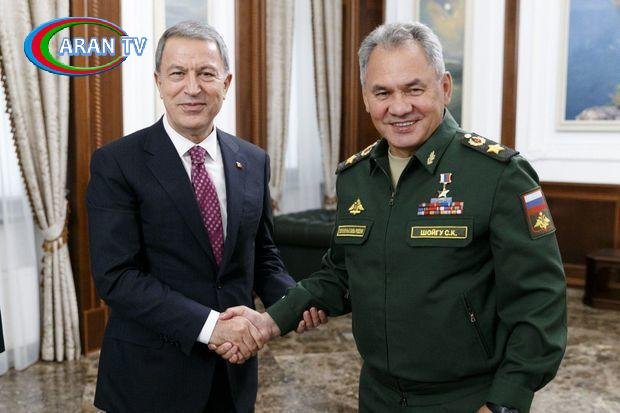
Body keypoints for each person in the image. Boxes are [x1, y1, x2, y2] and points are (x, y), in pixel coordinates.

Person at [214, 22, 567, 412]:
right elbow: (340, 276)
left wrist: (504, 403)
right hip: (378, 395)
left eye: (414, 89)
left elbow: (540, 301)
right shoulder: (355, 177)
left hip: (467, 398)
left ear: (444, 87)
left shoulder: (498, 174)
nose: (399, 108)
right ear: (366, 98)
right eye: (382, 92)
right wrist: (268, 321)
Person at [87, 21, 324, 413]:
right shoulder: (117, 163)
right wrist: (212, 327)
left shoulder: (253, 160)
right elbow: (117, 277)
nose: (192, 88)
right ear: (159, 82)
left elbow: (262, 253)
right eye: (178, 73)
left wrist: (291, 301)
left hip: (232, 375)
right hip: (151, 378)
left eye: (206, 74)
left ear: (226, 83)